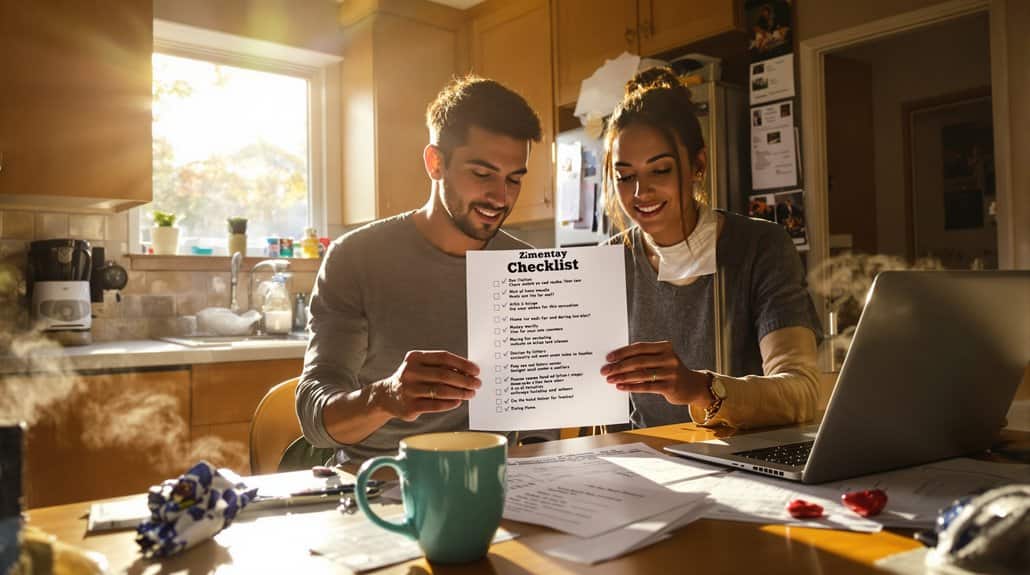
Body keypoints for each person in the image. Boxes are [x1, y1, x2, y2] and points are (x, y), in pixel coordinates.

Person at [297, 76, 545, 463]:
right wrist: (387, 397)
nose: (501, 197)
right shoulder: (357, 258)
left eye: (514, 179)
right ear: (435, 163)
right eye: (482, 175)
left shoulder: (527, 268)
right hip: (379, 478)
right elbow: (315, 417)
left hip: (493, 476)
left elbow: (539, 423)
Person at [599, 67, 823, 430]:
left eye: (660, 170)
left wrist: (701, 388)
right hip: (646, 467)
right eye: (625, 176)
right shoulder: (606, 263)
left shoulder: (760, 248)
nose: (640, 193)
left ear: (697, 165)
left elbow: (801, 392)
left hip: (744, 466)